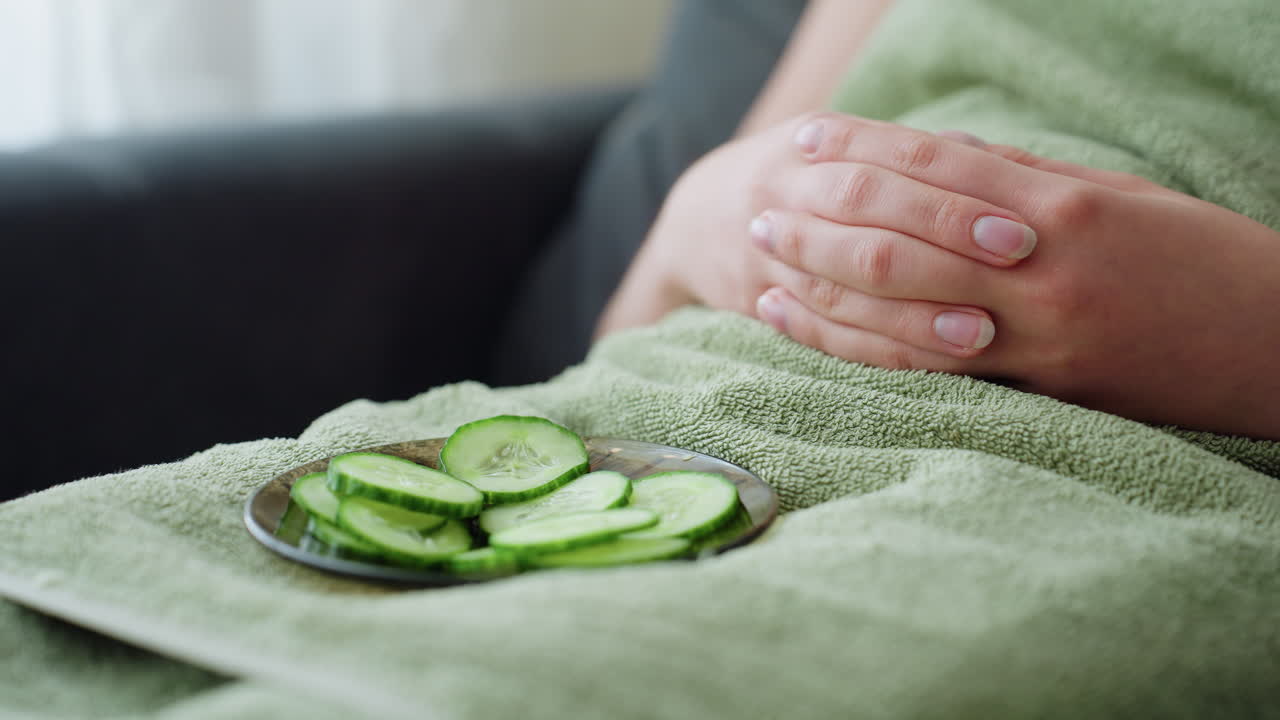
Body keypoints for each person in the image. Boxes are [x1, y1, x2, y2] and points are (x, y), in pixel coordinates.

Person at [592, 0, 1280, 441]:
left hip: (1126, 488)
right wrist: (697, 215)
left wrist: (1242, 331)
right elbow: (615, 342)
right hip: (668, 398)